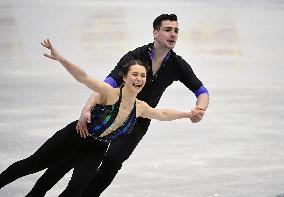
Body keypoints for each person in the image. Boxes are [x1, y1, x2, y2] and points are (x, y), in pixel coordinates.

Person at [27, 14, 209, 196]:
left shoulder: (177, 64)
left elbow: (202, 92)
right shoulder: (135, 56)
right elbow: (106, 86)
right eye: (168, 30)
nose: (173, 34)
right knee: (74, 154)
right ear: (155, 33)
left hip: (138, 119)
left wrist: (199, 109)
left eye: (176, 30)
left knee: (113, 161)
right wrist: (86, 109)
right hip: (109, 113)